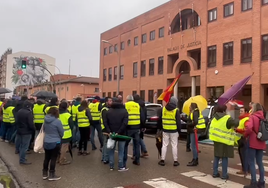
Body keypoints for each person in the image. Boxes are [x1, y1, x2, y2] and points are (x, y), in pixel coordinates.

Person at [209, 104, 239, 180]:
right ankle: (224, 175)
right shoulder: (227, 118)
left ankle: (215, 173)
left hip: (216, 140)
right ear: (224, 110)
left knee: (216, 156)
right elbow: (236, 123)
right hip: (225, 141)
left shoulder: (214, 118)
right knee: (224, 157)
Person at [244, 103, 266, 188]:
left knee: (251, 162)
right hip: (261, 142)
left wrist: (245, 135)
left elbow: (249, 128)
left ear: (254, 108)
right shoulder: (263, 118)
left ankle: (253, 182)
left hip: (253, 142)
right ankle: (262, 182)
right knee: (260, 162)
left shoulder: (252, 117)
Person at [105, 98, 128, 171]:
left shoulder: (109, 111)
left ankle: (111, 166)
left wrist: (109, 131)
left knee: (111, 150)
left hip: (111, 134)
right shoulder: (124, 111)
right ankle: (121, 166)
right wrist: (119, 132)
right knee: (121, 151)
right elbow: (125, 123)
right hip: (121, 134)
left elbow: (105, 122)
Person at [157, 96, 181, 167]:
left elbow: (160, 120)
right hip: (174, 131)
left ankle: (162, 160)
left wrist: (160, 129)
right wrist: (179, 131)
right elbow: (178, 122)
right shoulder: (176, 110)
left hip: (165, 130)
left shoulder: (163, 109)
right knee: (174, 146)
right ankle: (175, 161)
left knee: (164, 145)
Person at [43, 107, 64, 181]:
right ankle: (52, 174)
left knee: (46, 158)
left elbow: (44, 129)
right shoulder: (57, 121)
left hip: (46, 141)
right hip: (55, 142)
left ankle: (44, 173)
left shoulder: (45, 120)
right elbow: (61, 132)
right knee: (53, 158)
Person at [124, 95, 145, 167]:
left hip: (128, 128)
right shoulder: (137, 105)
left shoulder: (125, 105)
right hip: (137, 127)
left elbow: (123, 116)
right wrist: (142, 126)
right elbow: (142, 117)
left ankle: (124, 161)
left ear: (127, 100)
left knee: (125, 145)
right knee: (137, 145)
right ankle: (137, 160)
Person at [15, 100, 34, 165]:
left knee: (21, 145)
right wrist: (32, 129)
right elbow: (30, 124)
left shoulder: (19, 111)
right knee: (24, 146)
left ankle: (21, 157)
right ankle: (22, 160)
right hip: (27, 132)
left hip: (19, 130)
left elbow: (16, 121)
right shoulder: (28, 113)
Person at [234, 107, 250, 176]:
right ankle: (247, 169)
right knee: (244, 155)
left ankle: (244, 170)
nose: (240, 112)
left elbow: (246, 129)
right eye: (240, 111)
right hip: (242, 139)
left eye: (242, 111)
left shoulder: (246, 119)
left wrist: (237, 130)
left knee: (243, 155)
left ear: (246, 112)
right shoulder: (242, 119)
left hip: (243, 139)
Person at [59, 101, 74, 165]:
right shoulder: (68, 115)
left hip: (58, 133)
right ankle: (62, 160)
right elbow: (71, 125)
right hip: (66, 134)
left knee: (59, 147)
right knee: (64, 148)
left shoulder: (57, 114)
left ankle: (58, 158)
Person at [100, 97, 112, 164]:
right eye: (109, 101)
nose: (111, 102)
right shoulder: (105, 109)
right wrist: (108, 130)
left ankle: (103, 157)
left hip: (105, 128)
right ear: (106, 102)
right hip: (105, 128)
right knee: (106, 144)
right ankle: (105, 158)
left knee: (106, 143)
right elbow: (105, 121)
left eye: (111, 100)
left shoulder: (107, 108)